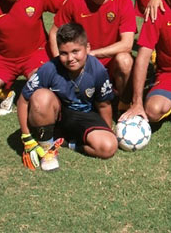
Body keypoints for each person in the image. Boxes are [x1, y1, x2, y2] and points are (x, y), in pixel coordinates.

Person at [17, 23, 118, 171]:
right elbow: (23, 100)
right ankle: (47, 150)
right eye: (64, 53)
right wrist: (26, 137)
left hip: (85, 116)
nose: (70, 58)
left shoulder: (98, 70)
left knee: (108, 147)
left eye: (75, 51)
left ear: (88, 48)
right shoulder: (49, 68)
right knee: (41, 97)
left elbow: (104, 105)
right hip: (58, 115)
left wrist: (107, 129)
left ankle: (69, 143)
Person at [50, 0, 135, 107]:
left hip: (110, 62)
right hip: (82, 63)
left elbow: (127, 45)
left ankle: (124, 105)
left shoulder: (123, 2)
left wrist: (93, 54)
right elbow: (54, 33)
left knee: (125, 60)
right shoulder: (75, 2)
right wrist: (61, 62)